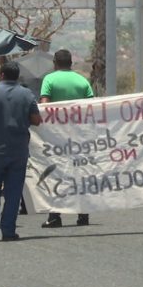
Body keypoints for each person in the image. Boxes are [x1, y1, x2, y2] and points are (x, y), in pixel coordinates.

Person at [0, 62, 41, 242]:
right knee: (13, 194)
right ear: (17, 76)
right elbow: (36, 120)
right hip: (18, 150)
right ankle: (8, 231)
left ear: (1, 74)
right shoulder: (26, 94)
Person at [40, 49, 94, 228]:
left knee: (55, 174)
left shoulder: (49, 79)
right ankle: (83, 215)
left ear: (55, 62)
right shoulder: (82, 80)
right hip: (79, 136)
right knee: (80, 173)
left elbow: (45, 105)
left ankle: (55, 216)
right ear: (71, 63)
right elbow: (90, 108)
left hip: (57, 136)